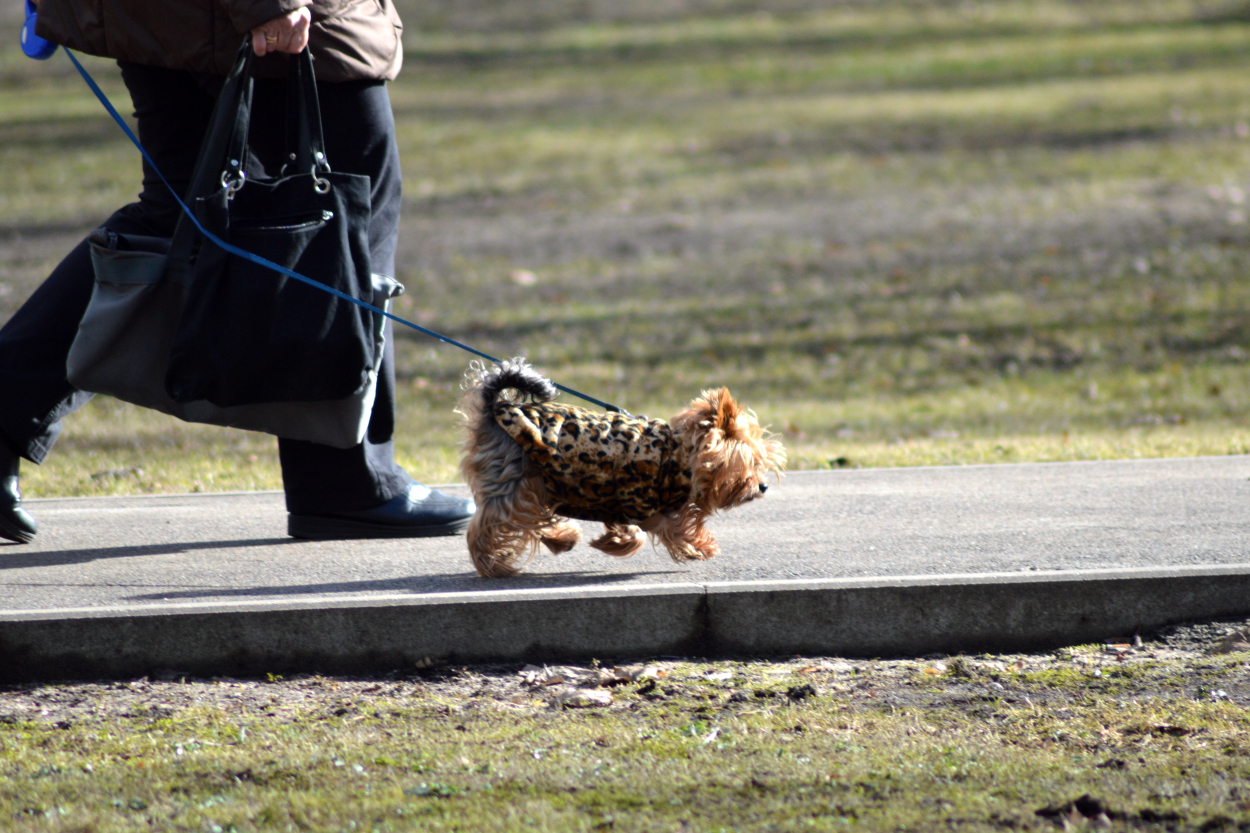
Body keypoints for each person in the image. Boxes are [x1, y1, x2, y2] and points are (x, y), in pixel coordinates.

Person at [0, 0, 475, 545]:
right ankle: (344, 479)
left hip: (169, 16)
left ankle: (341, 477)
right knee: (345, 210)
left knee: (178, 221)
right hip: (247, 17)